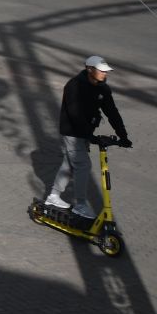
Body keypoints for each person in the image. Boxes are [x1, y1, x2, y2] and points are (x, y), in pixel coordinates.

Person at [45, 57, 132, 221]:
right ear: (89, 69)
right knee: (83, 165)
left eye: (106, 71)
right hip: (72, 131)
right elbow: (74, 114)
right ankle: (80, 205)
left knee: (69, 163)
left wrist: (123, 135)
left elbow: (112, 112)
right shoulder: (74, 85)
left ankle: (53, 196)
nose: (105, 73)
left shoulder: (103, 89)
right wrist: (90, 136)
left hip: (85, 132)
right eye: (101, 70)